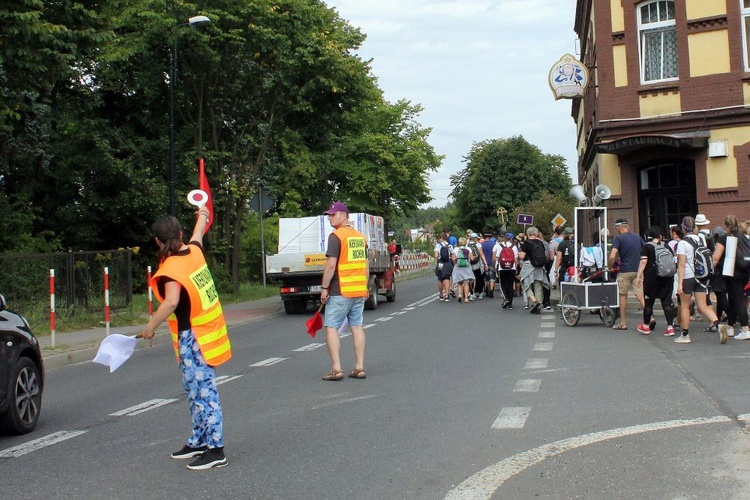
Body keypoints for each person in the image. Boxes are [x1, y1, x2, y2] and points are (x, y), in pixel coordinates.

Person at [140, 206, 231, 470]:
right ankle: (199, 440)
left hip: (195, 337)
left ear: (157, 241)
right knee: (193, 391)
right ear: (180, 234)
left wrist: (150, 327)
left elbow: (170, 302)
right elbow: (199, 232)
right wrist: (202, 214)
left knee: (204, 392)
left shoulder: (171, 268)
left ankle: (217, 450)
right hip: (198, 334)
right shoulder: (193, 251)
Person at [319, 201, 369, 380]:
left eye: (333, 214)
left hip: (340, 290)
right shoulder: (360, 237)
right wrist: (365, 286)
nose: (330, 218)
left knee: (331, 327)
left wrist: (324, 288)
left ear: (344, 216)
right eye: (329, 215)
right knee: (357, 326)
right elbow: (365, 264)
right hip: (358, 291)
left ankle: (336, 369)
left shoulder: (336, 237)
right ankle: (359, 367)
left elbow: (331, 264)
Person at [673, 216, 720, 344]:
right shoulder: (701, 240)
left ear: (683, 228)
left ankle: (685, 335)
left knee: (685, 306)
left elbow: (681, 264)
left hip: (688, 277)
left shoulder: (682, 243)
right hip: (701, 277)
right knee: (703, 306)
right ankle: (719, 325)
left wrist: (680, 284)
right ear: (695, 227)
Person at [714, 215, 750, 342]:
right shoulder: (743, 237)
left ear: (726, 225)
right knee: (734, 299)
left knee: (738, 299)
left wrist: (711, 268)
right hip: (745, 271)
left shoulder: (724, 238)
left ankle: (745, 329)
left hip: (732, 272)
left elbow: (716, 257)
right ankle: (730, 326)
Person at [635, 226, 677, 336]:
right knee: (667, 302)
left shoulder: (647, 247)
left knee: (649, 303)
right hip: (667, 277)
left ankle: (645, 326)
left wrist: (639, 276)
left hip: (651, 279)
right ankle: (670, 327)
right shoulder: (667, 246)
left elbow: (643, 262)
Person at [608, 218, 645, 330]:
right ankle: (650, 317)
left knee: (623, 296)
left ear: (618, 227)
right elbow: (644, 252)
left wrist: (610, 267)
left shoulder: (618, 239)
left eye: (615, 228)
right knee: (640, 295)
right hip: (638, 270)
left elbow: (612, 255)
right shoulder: (637, 237)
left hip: (624, 271)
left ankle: (623, 323)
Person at [518, 226, 549, 314]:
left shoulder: (526, 243)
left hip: (529, 266)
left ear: (528, 234)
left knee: (525, 284)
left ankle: (534, 301)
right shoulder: (541, 243)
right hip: (539, 266)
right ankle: (538, 306)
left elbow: (522, 256)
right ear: (537, 234)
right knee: (538, 286)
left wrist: (519, 255)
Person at [495, 232, 519, 309]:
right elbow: (515, 259)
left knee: (502, 285)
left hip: (502, 268)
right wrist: (516, 268)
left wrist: (496, 267)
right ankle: (510, 304)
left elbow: (497, 257)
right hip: (512, 268)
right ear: (511, 239)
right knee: (510, 285)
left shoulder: (499, 246)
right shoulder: (514, 247)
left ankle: (506, 299)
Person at [452, 236, 475, 302]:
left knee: (459, 282)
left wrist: (457, 259)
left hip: (458, 267)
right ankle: (466, 298)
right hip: (467, 267)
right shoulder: (468, 249)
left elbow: (453, 259)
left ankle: (459, 295)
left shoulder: (456, 249)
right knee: (466, 283)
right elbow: (472, 258)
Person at [434, 232, 454, 301]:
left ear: (441, 238)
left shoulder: (438, 246)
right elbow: (452, 256)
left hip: (440, 263)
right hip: (448, 263)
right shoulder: (450, 246)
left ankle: (441, 294)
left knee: (440, 278)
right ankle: (447, 295)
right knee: (447, 278)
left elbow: (436, 256)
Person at [468, 232, 488, 299]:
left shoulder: (467, 245)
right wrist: (485, 263)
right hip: (478, 263)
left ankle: (471, 293)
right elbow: (481, 254)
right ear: (476, 238)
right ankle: (480, 292)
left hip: (470, 264)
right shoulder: (478, 245)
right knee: (479, 277)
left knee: (471, 278)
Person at [481, 232, 497, 298]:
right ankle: (491, 290)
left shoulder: (482, 244)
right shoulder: (494, 244)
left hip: (485, 262)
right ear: (490, 237)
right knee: (492, 277)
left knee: (487, 277)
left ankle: (487, 289)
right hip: (492, 262)